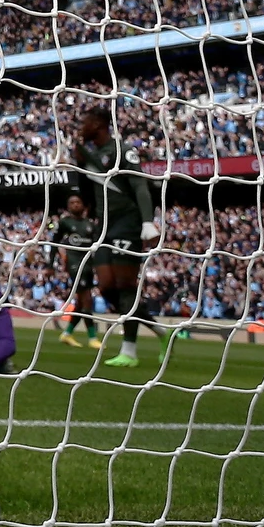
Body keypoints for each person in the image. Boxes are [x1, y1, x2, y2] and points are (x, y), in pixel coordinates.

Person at [72, 106, 167, 368]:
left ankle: (130, 351)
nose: (82, 127)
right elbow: (84, 192)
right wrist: (79, 165)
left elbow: (139, 184)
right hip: (104, 226)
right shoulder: (91, 156)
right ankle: (159, 330)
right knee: (105, 287)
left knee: (125, 286)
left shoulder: (122, 150)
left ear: (100, 124)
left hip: (127, 222)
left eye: (87, 121)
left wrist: (148, 222)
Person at [48, 190, 102, 349]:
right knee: (87, 300)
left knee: (81, 302)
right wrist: (50, 265)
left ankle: (67, 334)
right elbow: (54, 243)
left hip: (88, 264)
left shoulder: (90, 225)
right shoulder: (65, 222)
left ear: (83, 205)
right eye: (71, 203)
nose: (75, 205)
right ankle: (92, 337)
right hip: (74, 263)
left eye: (77, 202)